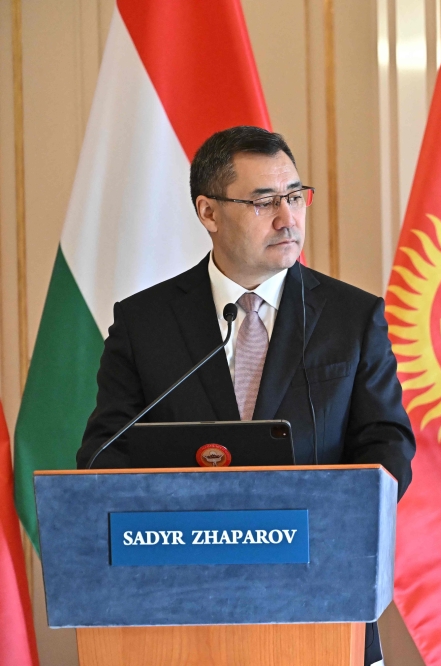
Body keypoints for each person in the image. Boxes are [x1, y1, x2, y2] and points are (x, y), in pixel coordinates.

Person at [76, 125, 414, 666]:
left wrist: (345, 518)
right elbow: (104, 452)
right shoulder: (145, 323)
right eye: (263, 202)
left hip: (320, 602)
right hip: (178, 609)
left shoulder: (352, 318)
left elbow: (387, 441)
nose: (288, 219)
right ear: (208, 212)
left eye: (294, 197)